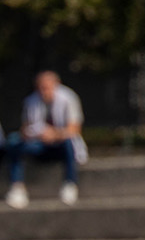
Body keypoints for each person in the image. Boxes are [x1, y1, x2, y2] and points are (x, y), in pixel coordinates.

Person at [6, 72, 87, 208]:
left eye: (47, 87)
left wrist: (55, 134)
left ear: (57, 85)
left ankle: (70, 184)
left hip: (61, 143)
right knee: (13, 142)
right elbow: (25, 128)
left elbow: (75, 129)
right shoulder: (31, 101)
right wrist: (37, 134)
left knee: (68, 143)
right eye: (41, 88)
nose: (44, 91)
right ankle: (17, 187)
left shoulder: (69, 98)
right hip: (39, 143)